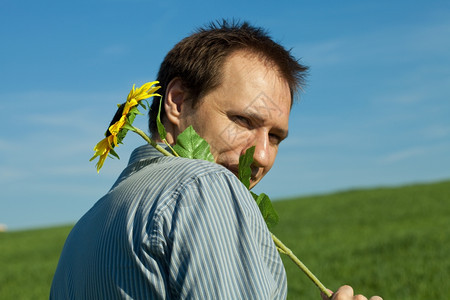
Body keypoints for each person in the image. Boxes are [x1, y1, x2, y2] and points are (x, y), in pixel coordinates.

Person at [50, 21, 382, 300]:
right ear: (178, 102)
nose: (263, 156)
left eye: (276, 137)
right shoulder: (205, 186)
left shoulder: (80, 237)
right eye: (243, 121)